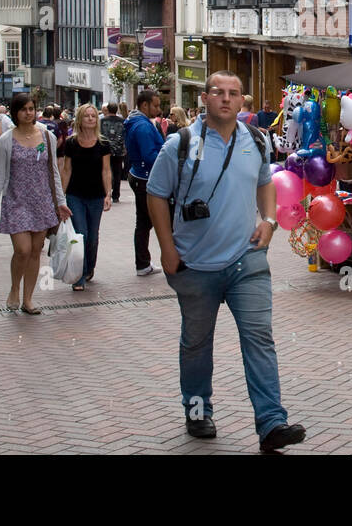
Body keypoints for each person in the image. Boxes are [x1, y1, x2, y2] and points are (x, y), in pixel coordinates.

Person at [147, 70, 305, 452]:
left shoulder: (256, 138)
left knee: (259, 338)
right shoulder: (179, 144)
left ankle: (271, 423)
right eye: (218, 92)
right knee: (197, 343)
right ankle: (198, 411)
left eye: (234, 93)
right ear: (204, 98)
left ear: (241, 100)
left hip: (246, 261)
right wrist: (167, 248)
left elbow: (265, 182)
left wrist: (268, 222)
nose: (226, 99)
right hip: (195, 265)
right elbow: (155, 194)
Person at [0, 93, 71, 315]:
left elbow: (53, 171)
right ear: (15, 113)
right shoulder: (7, 140)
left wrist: (60, 202)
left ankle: (28, 298)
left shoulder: (46, 137)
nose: (28, 113)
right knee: (22, 250)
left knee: (36, 250)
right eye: (23, 109)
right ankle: (15, 288)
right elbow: (0, 174)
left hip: (41, 201)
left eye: (31, 108)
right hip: (16, 200)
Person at [60, 104, 112, 291]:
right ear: (80, 119)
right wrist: (61, 197)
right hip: (75, 194)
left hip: (96, 195)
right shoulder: (71, 143)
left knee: (93, 237)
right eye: (87, 116)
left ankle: (90, 267)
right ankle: (79, 276)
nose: (90, 119)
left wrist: (108, 193)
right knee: (81, 234)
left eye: (93, 116)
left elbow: (106, 170)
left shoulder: (103, 143)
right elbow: (67, 170)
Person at [124, 90, 165, 277]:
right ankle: (143, 263)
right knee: (149, 222)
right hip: (145, 178)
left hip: (140, 176)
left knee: (144, 222)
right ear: (144, 105)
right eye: (155, 105)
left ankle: (143, 263)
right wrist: (169, 158)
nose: (158, 109)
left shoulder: (140, 123)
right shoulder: (143, 127)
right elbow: (150, 156)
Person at [100, 103, 126, 203]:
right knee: (117, 171)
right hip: (118, 150)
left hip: (105, 149)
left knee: (105, 170)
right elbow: (124, 135)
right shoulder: (122, 121)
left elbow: (100, 134)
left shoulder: (102, 121)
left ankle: (106, 192)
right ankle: (116, 194)